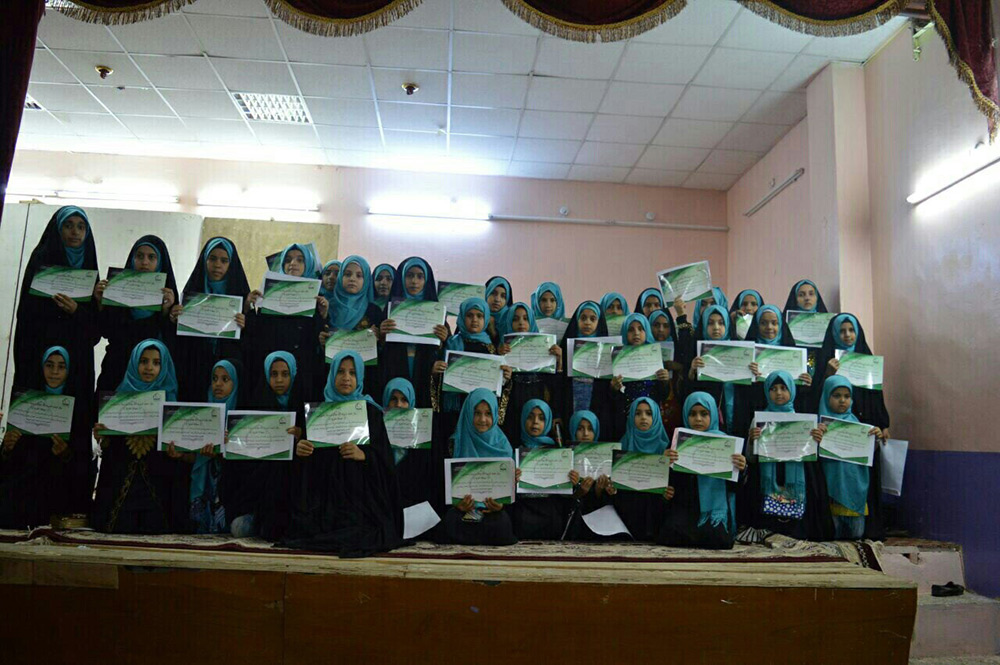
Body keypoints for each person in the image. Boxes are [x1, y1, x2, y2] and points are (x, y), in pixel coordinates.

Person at [283, 351, 403, 556]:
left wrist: (364, 455)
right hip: (324, 497)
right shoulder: (318, 413)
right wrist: (302, 450)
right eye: (340, 371)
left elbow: (386, 461)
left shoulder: (371, 412)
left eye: (352, 373)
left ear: (360, 377)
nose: (346, 378)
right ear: (332, 375)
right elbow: (307, 466)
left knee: (365, 531)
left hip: (361, 498)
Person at [91, 339, 188, 534]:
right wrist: (103, 436)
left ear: (164, 366)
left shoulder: (172, 405)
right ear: (134, 363)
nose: (149, 368)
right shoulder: (116, 401)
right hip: (120, 491)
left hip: (159, 489)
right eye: (143, 361)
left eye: (156, 363)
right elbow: (111, 453)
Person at [12, 207, 100, 419]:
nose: (75, 232)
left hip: (77, 362)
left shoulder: (89, 268)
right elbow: (25, 317)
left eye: (81, 227)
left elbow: (96, 333)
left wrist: (77, 310)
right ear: (58, 229)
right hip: (39, 356)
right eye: (68, 226)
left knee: (74, 420)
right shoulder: (40, 261)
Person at [1, 347, 94, 528]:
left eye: (61, 367)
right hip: (25, 483)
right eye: (49, 365)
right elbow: (11, 461)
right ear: (41, 368)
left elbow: (82, 463)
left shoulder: (77, 409)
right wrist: (7, 448)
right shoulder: (25, 403)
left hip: (59, 486)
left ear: (68, 371)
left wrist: (65, 453)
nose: (54, 372)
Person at [221, 351, 302, 540]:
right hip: (257, 498)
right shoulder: (253, 406)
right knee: (241, 529)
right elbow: (242, 467)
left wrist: (301, 436)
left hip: (293, 497)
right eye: (274, 374)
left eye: (285, 374)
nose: (279, 380)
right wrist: (231, 442)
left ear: (293, 375)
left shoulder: (302, 406)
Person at [742, 371, 831, 541]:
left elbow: (810, 458)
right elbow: (751, 459)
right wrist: (752, 441)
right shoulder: (758, 420)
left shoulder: (802, 421)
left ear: (792, 390)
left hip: (795, 476)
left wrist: (816, 440)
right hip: (765, 478)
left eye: (784, 388)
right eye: (773, 388)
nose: (778, 393)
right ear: (766, 391)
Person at [657, 392, 747, 549]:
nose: (698, 419)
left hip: (714, 510)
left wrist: (741, 468)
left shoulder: (726, 444)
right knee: (670, 535)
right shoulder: (677, 443)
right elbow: (670, 484)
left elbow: (734, 488)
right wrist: (664, 462)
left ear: (713, 415)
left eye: (704, 414)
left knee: (718, 539)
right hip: (685, 506)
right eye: (692, 414)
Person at [95, 235, 178, 395]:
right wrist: (100, 302)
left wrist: (166, 312)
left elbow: (171, 343)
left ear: (160, 262)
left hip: (151, 377)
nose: (144, 262)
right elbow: (106, 331)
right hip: (116, 371)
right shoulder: (118, 291)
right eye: (139, 256)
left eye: (151, 257)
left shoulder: (168, 298)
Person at [244, 243, 329, 397]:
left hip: (303, 372)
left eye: (300, 260)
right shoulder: (269, 295)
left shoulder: (316, 299)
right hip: (273, 371)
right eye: (288, 260)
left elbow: (317, 342)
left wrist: (322, 316)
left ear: (308, 265)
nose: (293, 264)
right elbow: (257, 334)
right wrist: (249, 307)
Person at [171, 237, 249, 401]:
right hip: (194, 369)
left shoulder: (242, 298)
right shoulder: (192, 294)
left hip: (227, 372)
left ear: (231, 264)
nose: (217, 265)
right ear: (204, 260)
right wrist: (174, 318)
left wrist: (246, 323)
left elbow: (251, 345)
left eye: (224, 260)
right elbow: (179, 343)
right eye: (212, 259)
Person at [438, 389, 518, 546]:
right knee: (450, 521)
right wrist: (458, 504)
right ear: (468, 414)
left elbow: (508, 495)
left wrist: (500, 505)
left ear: (495, 415)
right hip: (462, 511)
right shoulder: (455, 443)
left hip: (492, 512)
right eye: (477, 413)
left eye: (488, 414)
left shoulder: (504, 447)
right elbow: (444, 488)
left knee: (502, 523)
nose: (482, 419)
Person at [817, 376, 885, 540]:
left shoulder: (858, 425)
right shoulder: (819, 426)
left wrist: (876, 438)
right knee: (832, 534)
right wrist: (815, 437)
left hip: (854, 488)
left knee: (856, 534)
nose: (842, 400)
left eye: (847, 396)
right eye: (836, 396)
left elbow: (868, 454)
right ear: (826, 397)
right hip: (831, 491)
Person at [432, 297, 512, 436]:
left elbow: (498, 387)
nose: (474, 320)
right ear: (462, 317)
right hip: (456, 411)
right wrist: (435, 372)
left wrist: (505, 377)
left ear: (486, 319)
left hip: (481, 412)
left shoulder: (492, 348)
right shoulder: (450, 344)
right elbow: (439, 384)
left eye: (479, 316)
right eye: (470, 315)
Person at [378, 257, 448, 409]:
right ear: (402, 278)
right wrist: (382, 335)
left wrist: (443, 339)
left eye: (420, 276)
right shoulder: (388, 312)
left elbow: (444, 356)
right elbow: (379, 352)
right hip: (394, 373)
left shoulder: (438, 316)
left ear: (426, 280)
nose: (414, 281)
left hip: (425, 377)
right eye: (409, 275)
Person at [607, 397, 677, 541]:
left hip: (656, 510)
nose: (643, 418)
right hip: (628, 509)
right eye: (638, 413)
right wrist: (612, 490)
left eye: (649, 413)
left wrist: (667, 494)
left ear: (656, 417)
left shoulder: (667, 448)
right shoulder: (622, 445)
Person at [188, 359, 243, 534]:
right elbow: (194, 455)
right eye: (214, 378)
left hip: (230, 488)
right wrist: (179, 454)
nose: (218, 384)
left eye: (225, 379)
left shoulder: (242, 417)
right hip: (206, 487)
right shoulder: (201, 414)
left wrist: (224, 451)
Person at [511, 399, 580, 540]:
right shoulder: (515, 451)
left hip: (550, 509)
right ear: (523, 419)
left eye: (541, 418)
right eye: (530, 417)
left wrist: (571, 482)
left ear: (548, 421)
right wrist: (512, 480)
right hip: (524, 508)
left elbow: (565, 495)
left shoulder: (558, 451)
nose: (535, 422)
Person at [319, 255, 385, 400]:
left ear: (366, 280)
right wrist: (321, 341)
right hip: (331, 375)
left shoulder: (373, 311)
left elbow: (381, 352)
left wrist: (379, 339)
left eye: (359, 276)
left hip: (365, 378)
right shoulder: (328, 307)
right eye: (347, 274)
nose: (352, 279)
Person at [496, 301, 563, 443]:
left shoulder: (544, 346)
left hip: (538, 397)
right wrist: (499, 358)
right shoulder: (502, 348)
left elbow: (555, 386)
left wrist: (558, 361)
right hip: (513, 401)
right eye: (515, 319)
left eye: (526, 319)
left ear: (532, 322)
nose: (521, 323)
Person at [814, 313, 891, 437]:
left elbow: (876, 396)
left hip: (865, 423)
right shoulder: (826, 359)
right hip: (834, 426)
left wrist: (883, 425)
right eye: (842, 331)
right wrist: (828, 374)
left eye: (851, 330)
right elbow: (815, 396)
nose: (847, 335)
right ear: (834, 333)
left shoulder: (867, 358)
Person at [381, 377, 445, 519]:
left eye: (404, 400)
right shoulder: (378, 430)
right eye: (393, 399)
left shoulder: (424, 432)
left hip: (416, 506)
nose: (399, 405)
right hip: (385, 505)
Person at [608, 313, 671, 441]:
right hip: (625, 420)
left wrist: (665, 381)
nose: (636, 333)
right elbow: (615, 399)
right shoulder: (618, 359)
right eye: (631, 330)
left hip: (650, 418)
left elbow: (663, 395)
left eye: (641, 329)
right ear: (624, 333)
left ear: (647, 331)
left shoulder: (655, 358)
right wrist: (614, 388)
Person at [561, 301, 612, 434]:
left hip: (598, 403)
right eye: (583, 318)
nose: (587, 323)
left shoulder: (608, 350)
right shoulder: (565, 348)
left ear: (599, 322)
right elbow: (560, 384)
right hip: (570, 402)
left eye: (592, 319)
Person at [484, 275, 513, 344]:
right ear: (486, 294)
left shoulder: (512, 321)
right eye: (493, 293)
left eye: (503, 296)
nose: (497, 299)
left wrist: (493, 331)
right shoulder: (474, 315)